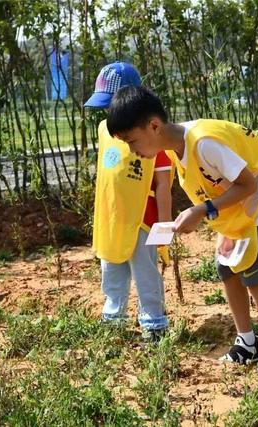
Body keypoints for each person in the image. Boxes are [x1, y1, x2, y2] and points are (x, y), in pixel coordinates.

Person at [105, 86, 258, 371]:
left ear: (154, 126)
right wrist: (200, 213)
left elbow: (248, 184)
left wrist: (203, 211)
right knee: (227, 268)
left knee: (253, 274)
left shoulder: (203, 143)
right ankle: (247, 343)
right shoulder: (177, 148)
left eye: (132, 141)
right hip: (237, 206)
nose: (132, 150)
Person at [84, 63, 172, 341]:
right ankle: (113, 319)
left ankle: (154, 322)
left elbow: (163, 186)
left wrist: (165, 226)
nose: (112, 115)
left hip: (142, 219)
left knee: (146, 272)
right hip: (111, 219)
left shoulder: (153, 138)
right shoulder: (103, 130)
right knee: (111, 269)